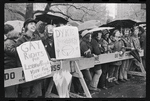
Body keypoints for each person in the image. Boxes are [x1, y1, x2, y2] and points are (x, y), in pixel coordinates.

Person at [15, 18, 43, 98]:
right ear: (26, 26)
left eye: (34, 24)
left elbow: (42, 51)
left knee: (36, 93)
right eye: (31, 24)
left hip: (37, 71)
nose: (33, 26)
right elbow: (17, 55)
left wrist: (48, 60)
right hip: (27, 72)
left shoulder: (37, 38)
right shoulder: (21, 40)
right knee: (26, 94)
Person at [4, 24, 20, 98]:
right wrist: (21, 48)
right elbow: (13, 52)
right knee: (11, 91)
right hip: (9, 69)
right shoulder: (8, 43)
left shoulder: (10, 41)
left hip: (11, 68)